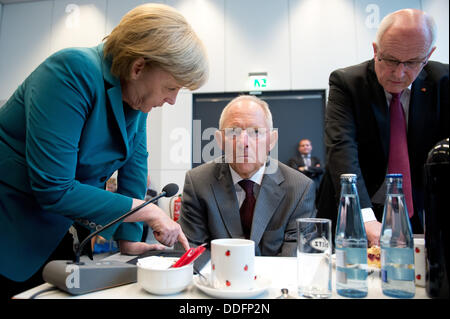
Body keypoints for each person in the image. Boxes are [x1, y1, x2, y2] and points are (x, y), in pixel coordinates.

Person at [0, 3, 208, 298]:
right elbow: (53, 187)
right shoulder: (70, 71)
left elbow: (134, 169)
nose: (172, 100)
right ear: (139, 67)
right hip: (11, 229)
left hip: (58, 232)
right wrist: (147, 211)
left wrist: (129, 238)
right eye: (171, 87)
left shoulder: (135, 95)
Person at [316, 9, 449, 247]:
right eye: (390, 60)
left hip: (414, 210)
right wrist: (364, 216)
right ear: (376, 50)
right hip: (355, 205)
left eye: (412, 62)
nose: (399, 73)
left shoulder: (443, 82)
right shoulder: (347, 83)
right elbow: (342, 148)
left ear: (428, 55)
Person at [178, 95, 316, 256]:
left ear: (271, 140)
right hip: (217, 279)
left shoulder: (300, 188)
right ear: (220, 140)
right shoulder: (198, 183)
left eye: (256, 132)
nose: (243, 142)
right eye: (233, 132)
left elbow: (296, 257)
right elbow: (191, 250)